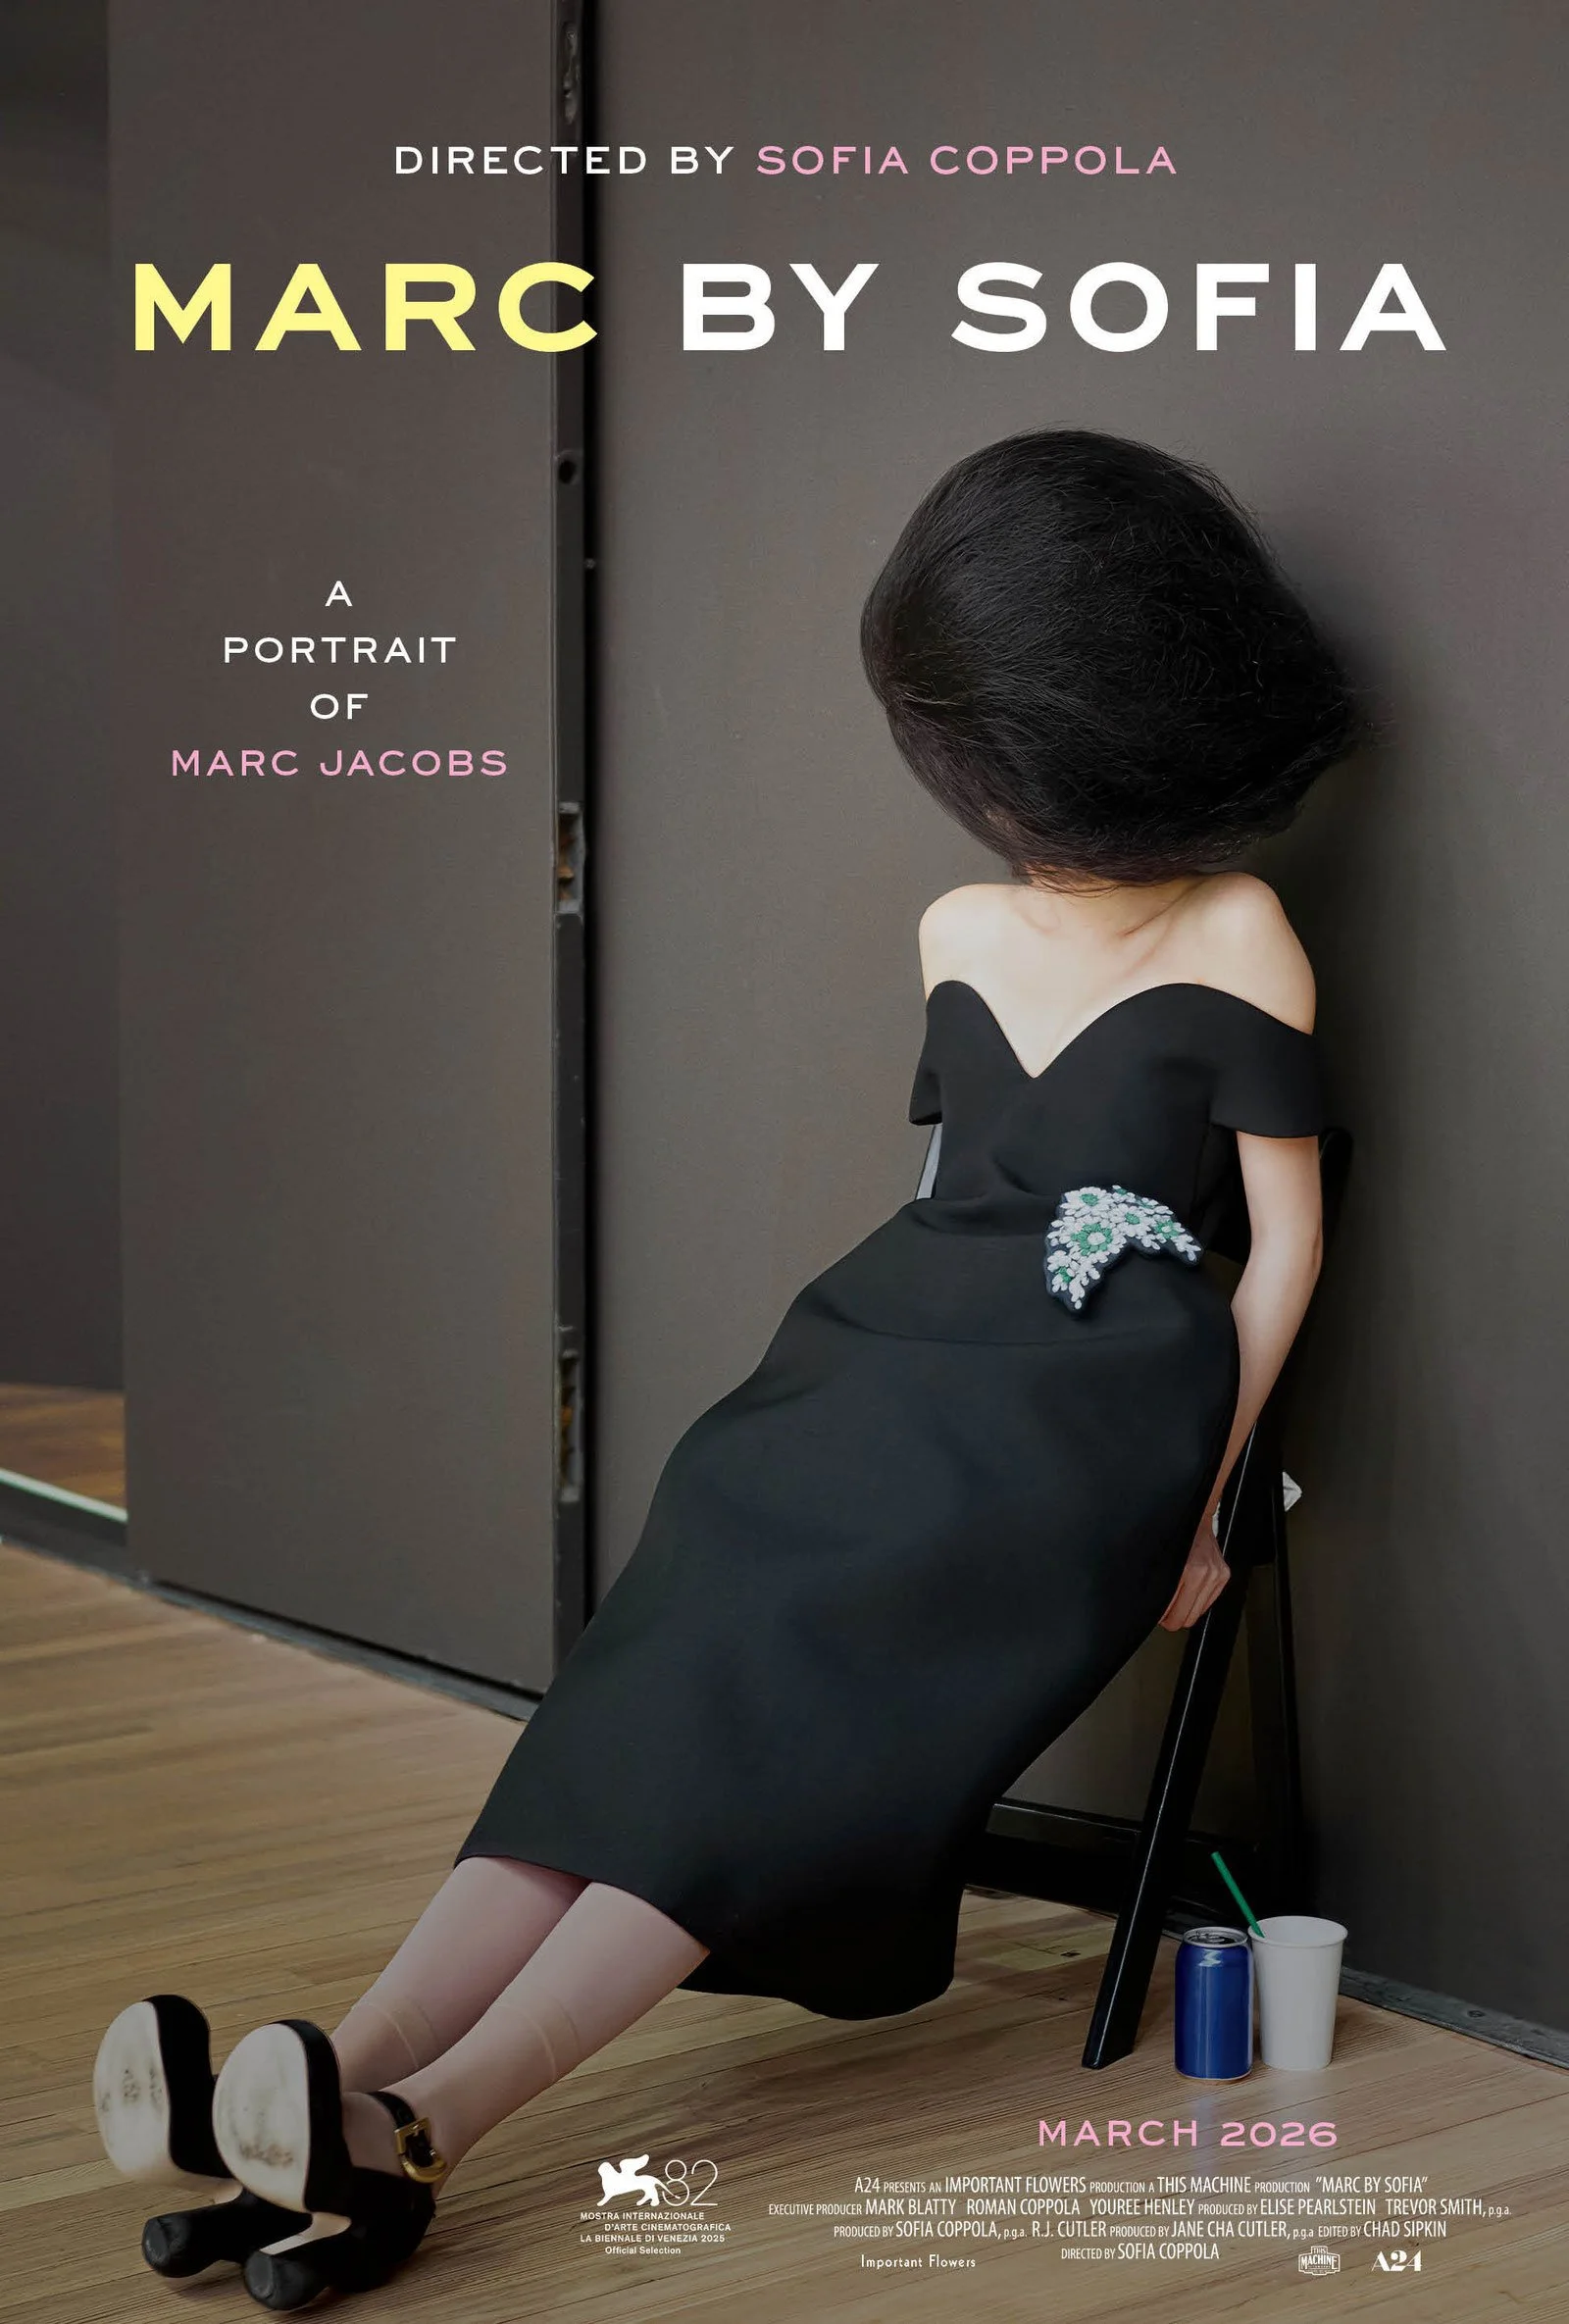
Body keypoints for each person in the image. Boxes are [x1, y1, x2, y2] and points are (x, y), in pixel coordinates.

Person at [91, 429, 1359, 2309]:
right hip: (872, 1353)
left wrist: (1204, 1504)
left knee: (777, 1719)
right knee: (665, 1662)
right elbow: (947, 1183)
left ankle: (419, 2125)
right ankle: (328, 2074)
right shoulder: (957, 926)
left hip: (1074, 1420)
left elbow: (1288, 1250)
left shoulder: (1240, 929)